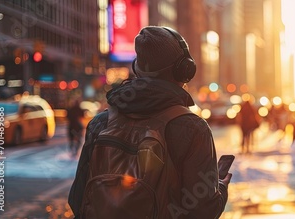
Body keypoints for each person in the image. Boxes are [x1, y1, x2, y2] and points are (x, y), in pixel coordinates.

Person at [68, 26, 231, 218]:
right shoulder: (194, 128)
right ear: (184, 69)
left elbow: (77, 199)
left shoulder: (101, 123)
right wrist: (219, 187)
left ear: (137, 68)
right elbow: (203, 210)